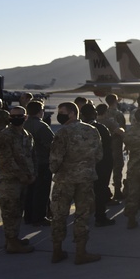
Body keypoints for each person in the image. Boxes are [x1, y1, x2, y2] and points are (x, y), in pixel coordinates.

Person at [49, 101, 102, 264]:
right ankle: (80, 252)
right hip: (85, 179)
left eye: (62, 112)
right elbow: (99, 155)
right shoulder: (92, 130)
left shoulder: (62, 132)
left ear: (73, 113)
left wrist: (57, 169)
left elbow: (55, 160)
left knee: (59, 215)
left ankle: (57, 251)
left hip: (65, 180)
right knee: (82, 215)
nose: (60, 115)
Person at [0, 105, 35, 253]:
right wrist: (21, 175)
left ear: (25, 117)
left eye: (19, 116)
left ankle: (12, 239)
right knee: (10, 210)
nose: (16, 119)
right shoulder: (5, 135)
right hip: (10, 180)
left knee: (18, 210)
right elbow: (7, 159)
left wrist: (31, 174)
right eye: (13, 116)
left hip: (23, 180)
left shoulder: (26, 135)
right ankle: (12, 243)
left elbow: (29, 156)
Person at [83, 104, 115, 227]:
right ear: (94, 114)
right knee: (100, 190)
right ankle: (100, 217)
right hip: (101, 163)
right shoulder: (100, 128)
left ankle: (84, 215)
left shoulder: (78, 128)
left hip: (84, 164)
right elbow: (107, 145)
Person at [23, 99, 54, 226]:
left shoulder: (24, 124)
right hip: (41, 162)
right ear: (40, 111)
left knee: (29, 191)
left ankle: (29, 216)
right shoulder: (41, 126)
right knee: (41, 191)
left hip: (27, 163)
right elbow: (51, 144)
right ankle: (39, 217)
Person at [103, 93, 127, 201]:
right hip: (116, 143)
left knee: (105, 168)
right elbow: (123, 130)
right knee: (117, 167)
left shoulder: (104, 113)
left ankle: (105, 190)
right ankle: (117, 190)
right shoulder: (119, 114)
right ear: (115, 101)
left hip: (105, 144)